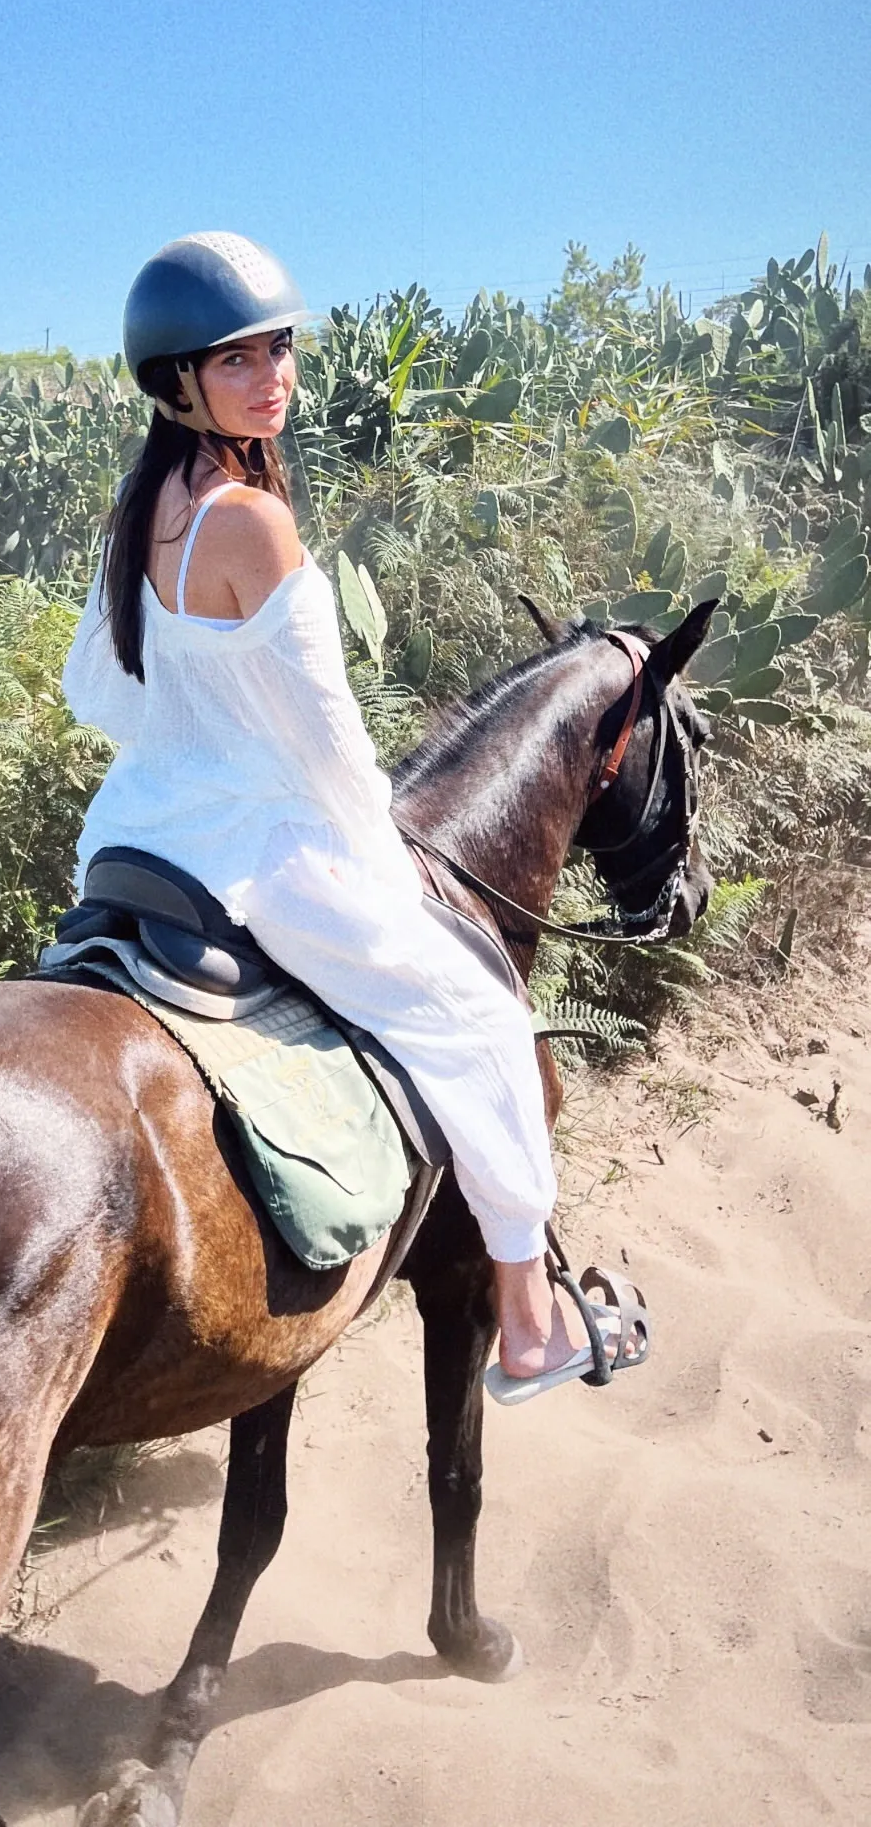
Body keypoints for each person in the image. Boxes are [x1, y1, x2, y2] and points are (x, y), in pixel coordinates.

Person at [62, 230, 638, 1397]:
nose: (273, 374)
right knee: (484, 1026)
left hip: (140, 836)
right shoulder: (253, 520)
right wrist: (373, 847)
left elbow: (94, 690)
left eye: (280, 347)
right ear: (179, 382)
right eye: (238, 359)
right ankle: (527, 1327)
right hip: (262, 853)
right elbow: (330, 741)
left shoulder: (145, 507)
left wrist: (201, 732)